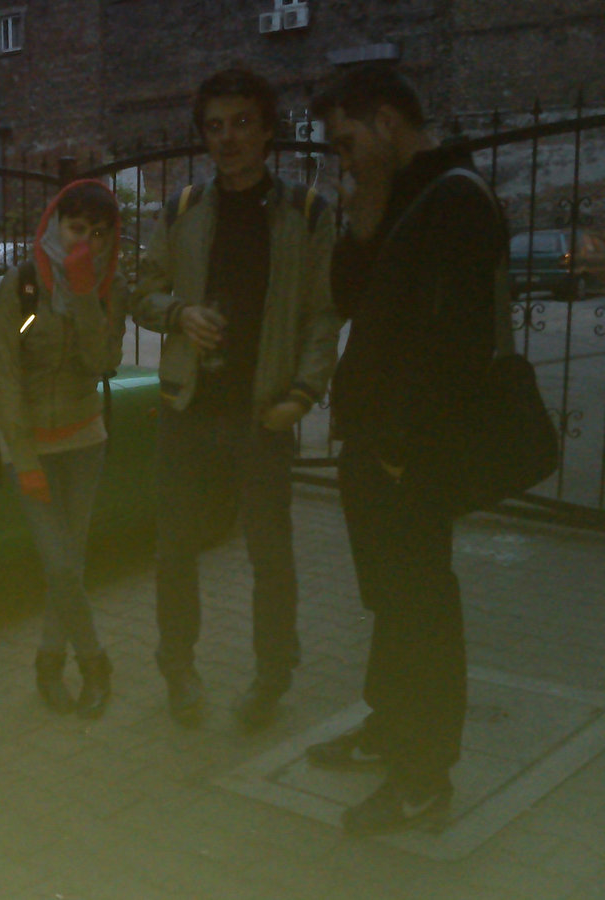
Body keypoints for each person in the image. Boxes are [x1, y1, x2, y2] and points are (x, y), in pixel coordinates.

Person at [305, 64, 501, 834]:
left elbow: (452, 344)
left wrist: (397, 444)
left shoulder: (455, 197)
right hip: (377, 443)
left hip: (408, 450)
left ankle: (424, 776)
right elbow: (350, 297)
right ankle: (388, 729)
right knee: (392, 600)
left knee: (423, 608)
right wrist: (366, 205)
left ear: (387, 121)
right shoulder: (398, 195)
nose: (343, 160)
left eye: (347, 142)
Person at [133, 67, 339, 730]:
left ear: (268, 129)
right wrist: (179, 313)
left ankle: (272, 678)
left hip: (262, 414)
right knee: (175, 552)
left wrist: (303, 394)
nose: (228, 138)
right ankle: (178, 670)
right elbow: (142, 292)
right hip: (188, 409)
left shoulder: (307, 214)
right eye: (215, 127)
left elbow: (323, 314)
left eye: (242, 123)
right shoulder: (183, 211)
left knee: (270, 557)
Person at [0, 179, 130, 718]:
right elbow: (4, 373)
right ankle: (95, 661)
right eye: (76, 228)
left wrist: (86, 294)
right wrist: (24, 459)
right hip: (29, 444)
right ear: (55, 224)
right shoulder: (22, 284)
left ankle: (49, 661)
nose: (85, 241)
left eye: (98, 233)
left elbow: (102, 362)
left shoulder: (110, 286)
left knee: (68, 564)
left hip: (83, 441)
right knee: (60, 563)